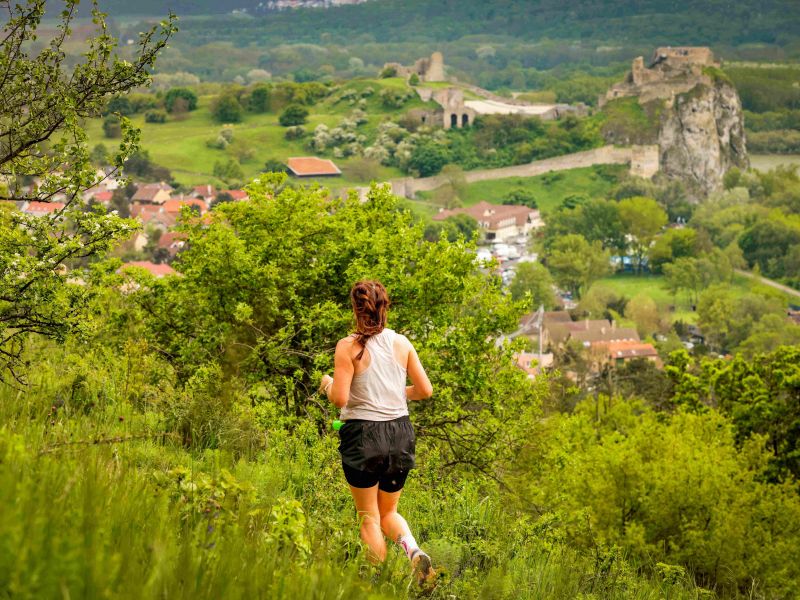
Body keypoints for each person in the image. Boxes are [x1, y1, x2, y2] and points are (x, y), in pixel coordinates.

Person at [319, 280, 435, 587]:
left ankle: (380, 586)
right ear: (385, 307)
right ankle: (414, 552)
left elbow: (340, 399)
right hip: (400, 434)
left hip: (364, 436)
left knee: (369, 516)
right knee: (389, 512)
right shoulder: (402, 343)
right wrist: (392, 392)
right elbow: (425, 390)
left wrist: (328, 384)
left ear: (356, 309)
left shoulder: (348, 346)